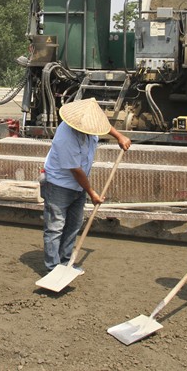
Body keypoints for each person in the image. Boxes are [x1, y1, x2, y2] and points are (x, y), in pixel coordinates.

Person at [41, 98, 131, 272]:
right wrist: (92, 193)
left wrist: (119, 136)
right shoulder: (65, 137)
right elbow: (76, 170)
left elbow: (105, 126)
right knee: (55, 227)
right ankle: (52, 268)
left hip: (78, 185)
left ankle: (66, 262)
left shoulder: (92, 126)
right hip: (59, 184)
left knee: (74, 225)